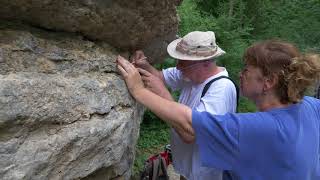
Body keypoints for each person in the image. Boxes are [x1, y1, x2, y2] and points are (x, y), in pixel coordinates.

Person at [117, 40, 320, 179]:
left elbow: (189, 126)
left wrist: (139, 91)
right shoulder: (309, 106)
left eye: (247, 69)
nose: (240, 74)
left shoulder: (259, 128)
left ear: (268, 82)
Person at [130, 31, 237, 180]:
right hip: (187, 170)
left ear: (206, 62)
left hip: (204, 175)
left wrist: (162, 93)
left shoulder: (222, 89)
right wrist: (145, 65)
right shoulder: (190, 74)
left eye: (184, 62)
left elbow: (190, 133)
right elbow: (159, 77)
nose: (178, 67)